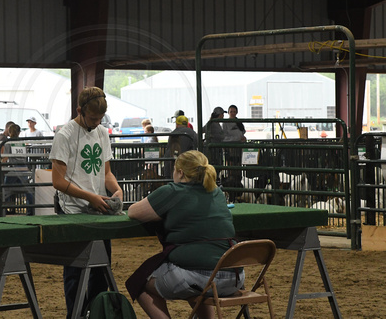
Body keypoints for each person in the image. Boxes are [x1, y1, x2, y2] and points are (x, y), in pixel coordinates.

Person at [126, 150, 243, 319]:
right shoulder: (216, 192)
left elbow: (133, 212)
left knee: (140, 283)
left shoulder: (172, 191)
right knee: (199, 284)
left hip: (200, 279)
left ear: (180, 172)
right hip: (234, 278)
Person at [49, 86, 124, 318]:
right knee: (75, 271)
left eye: (101, 118)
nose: (97, 122)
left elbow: (106, 173)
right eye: (93, 118)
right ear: (79, 110)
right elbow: (58, 181)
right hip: (72, 209)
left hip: (98, 208)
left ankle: (97, 313)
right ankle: (76, 314)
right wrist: (90, 196)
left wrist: (116, 189)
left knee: (101, 269)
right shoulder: (65, 136)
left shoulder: (102, 133)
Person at [3, 122, 33, 215]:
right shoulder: (22, 142)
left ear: (9, 131)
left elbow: (6, 157)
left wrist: (0, 163)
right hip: (23, 168)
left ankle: (4, 208)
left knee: (4, 188)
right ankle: (31, 210)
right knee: (28, 189)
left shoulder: (8, 143)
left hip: (14, 169)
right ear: (19, 132)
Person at [222, 105, 246, 199]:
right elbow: (224, 136)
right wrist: (237, 138)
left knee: (238, 167)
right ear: (228, 112)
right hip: (230, 148)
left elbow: (243, 132)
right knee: (231, 168)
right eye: (231, 111)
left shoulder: (239, 122)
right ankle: (231, 190)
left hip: (238, 148)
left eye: (234, 111)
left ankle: (238, 189)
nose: (232, 113)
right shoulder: (225, 123)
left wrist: (242, 139)